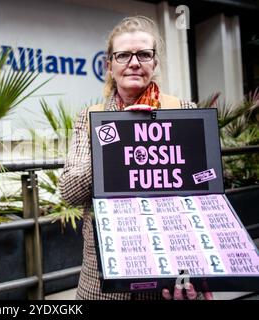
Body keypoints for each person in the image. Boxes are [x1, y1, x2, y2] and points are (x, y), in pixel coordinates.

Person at [59, 15, 212, 300]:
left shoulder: (184, 112)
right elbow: (69, 192)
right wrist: (118, 136)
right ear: (109, 65)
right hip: (103, 279)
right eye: (123, 55)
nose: (134, 62)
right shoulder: (91, 118)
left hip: (170, 276)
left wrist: (196, 272)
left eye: (144, 54)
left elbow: (207, 190)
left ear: (154, 63)